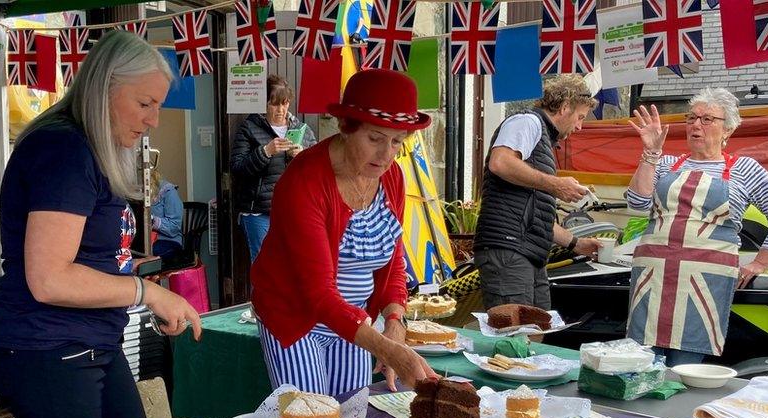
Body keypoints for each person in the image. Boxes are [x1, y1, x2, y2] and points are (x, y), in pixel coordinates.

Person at [0, 31, 203, 418]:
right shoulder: (65, 150)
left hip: (92, 343)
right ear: (105, 86)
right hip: (52, 349)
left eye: (158, 106)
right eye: (145, 103)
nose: (152, 121)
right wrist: (148, 292)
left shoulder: (89, 148)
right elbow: (49, 278)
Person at [251, 69, 437, 395]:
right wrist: (384, 348)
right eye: (375, 138)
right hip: (296, 318)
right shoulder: (304, 182)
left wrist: (395, 320)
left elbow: (392, 260)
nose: (386, 155)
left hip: (354, 324)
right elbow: (319, 294)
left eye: (397, 142)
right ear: (345, 128)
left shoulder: (391, 178)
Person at [625, 88, 768, 366]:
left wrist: (760, 263)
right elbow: (638, 203)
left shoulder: (745, 169)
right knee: (640, 366)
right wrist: (650, 153)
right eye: (692, 118)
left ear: (729, 129)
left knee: (686, 368)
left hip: (703, 283)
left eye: (707, 119)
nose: (696, 125)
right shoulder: (664, 163)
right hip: (653, 279)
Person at [472, 75, 602, 310]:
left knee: (537, 331)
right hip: (509, 250)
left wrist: (576, 243)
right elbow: (499, 162)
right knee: (515, 337)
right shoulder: (526, 122)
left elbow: (535, 217)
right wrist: (556, 184)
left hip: (526, 253)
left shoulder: (541, 140)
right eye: (580, 117)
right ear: (564, 108)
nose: (580, 126)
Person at [231, 74, 317, 262]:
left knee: (293, 265)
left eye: (285, 104)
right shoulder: (250, 128)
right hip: (259, 212)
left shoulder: (302, 129)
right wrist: (265, 151)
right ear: (264, 104)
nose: (281, 110)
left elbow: (318, 170)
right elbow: (237, 167)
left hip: (294, 211)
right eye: (274, 104)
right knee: (264, 266)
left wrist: (302, 155)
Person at [150, 169, 184, 260]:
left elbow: (174, 227)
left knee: (149, 255)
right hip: (146, 240)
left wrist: (152, 221)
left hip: (168, 240)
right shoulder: (135, 191)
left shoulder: (168, 191)